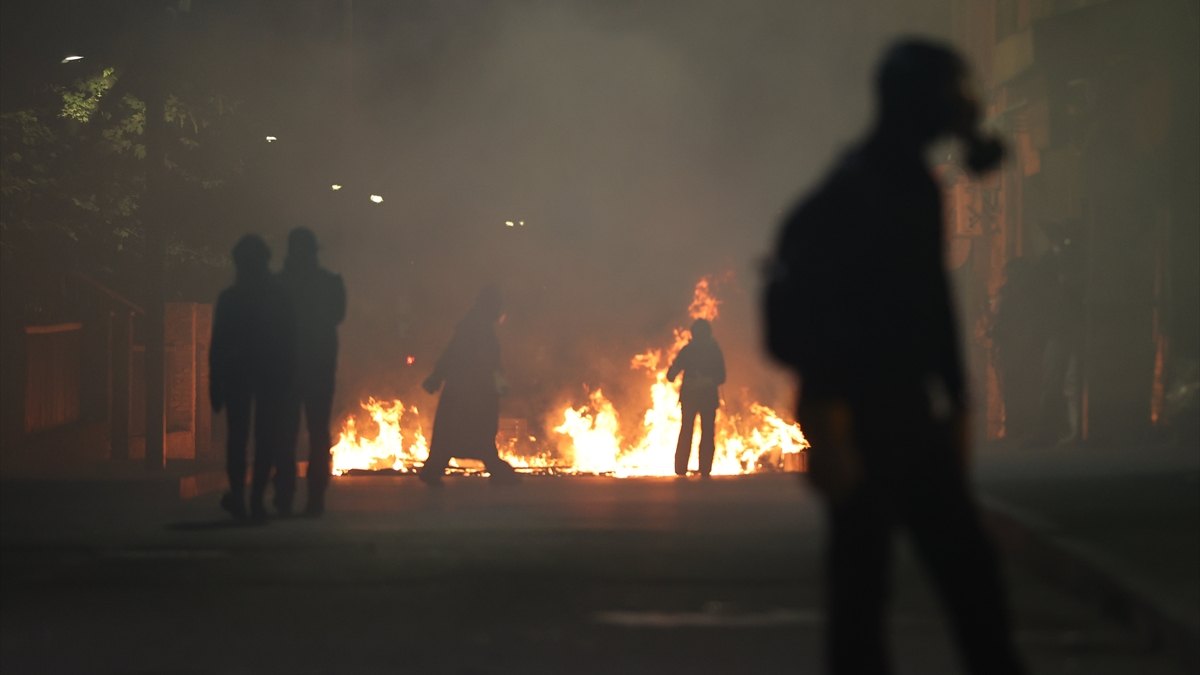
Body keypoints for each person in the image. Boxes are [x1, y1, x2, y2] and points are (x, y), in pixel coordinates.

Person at [765, 40, 1024, 674]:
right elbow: (838, 308)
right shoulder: (872, 189)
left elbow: (932, 308)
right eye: (952, 97)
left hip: (909, 414)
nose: (963, 112)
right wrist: (827, 421)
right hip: (870, 417)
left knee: (941, 578)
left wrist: (955, 402)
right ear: (921, 103)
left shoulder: (906, 182)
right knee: (876, 586)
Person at [209, 235, 297, 521]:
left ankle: (241, 496)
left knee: (239, 438)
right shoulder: (277, 297)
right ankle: (254, 497)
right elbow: (289, 341)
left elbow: (219, 343)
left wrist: (216, 382)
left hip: (241, 374)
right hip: (267, 376)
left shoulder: (231, 298)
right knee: (263, 439)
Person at [419, 285, 519, 486]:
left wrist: (437, 377)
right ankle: (496, 471)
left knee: (453, 436)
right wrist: (500, 386)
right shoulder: (476, 329)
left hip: (465, 393)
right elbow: (487, 363)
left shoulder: (472, 326)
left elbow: (456, 355)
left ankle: (434, 470)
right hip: (472, 394)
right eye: (496, 306)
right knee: (475, 434)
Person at [278, 227, 346, 517]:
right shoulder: (329, 283)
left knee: (285, 434)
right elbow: (338, 316)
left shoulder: (279, 284)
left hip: (287, 369)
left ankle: (284, 496)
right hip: (319, 368)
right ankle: (315, 498)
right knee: (318, 433)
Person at [666, 318, 726, 477]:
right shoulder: (714, 350)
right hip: (707, 399)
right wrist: (707, 381)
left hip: (691, 398)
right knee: (707, 432)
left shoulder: (688, 350)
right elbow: (721, 377)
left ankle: (681, 468)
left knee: (687, 431)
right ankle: (705, 469)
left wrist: (677, 372)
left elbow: (671, 375)